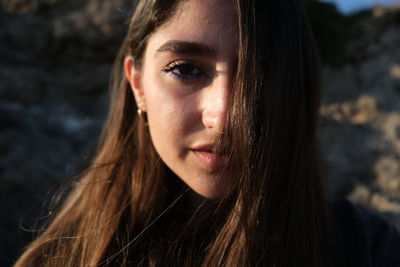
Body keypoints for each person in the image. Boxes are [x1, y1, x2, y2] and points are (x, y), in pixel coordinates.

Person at [15, 0, 400, 266]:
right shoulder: (61, 256)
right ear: (138, 84)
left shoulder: (367, 250)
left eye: (261, 76)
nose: (225, 116)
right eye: (185, 69)